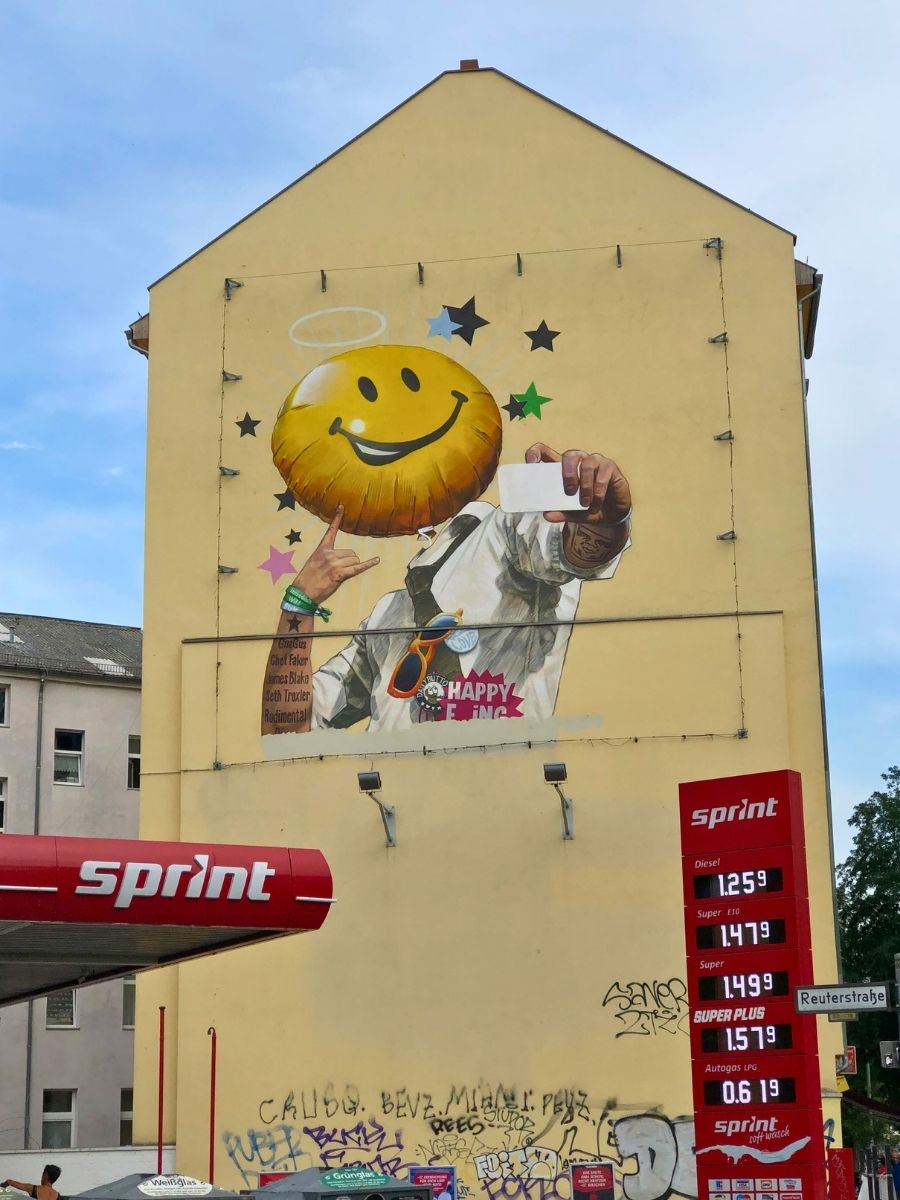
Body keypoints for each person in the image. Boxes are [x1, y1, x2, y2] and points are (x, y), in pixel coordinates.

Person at [262, 442, 632, 734]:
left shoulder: (498, 530)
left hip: (498, 799)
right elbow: (290, 731)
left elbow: (559, 552)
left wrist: (604, 524)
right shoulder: (390, 614)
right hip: (390, 811)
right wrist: (299, 604)